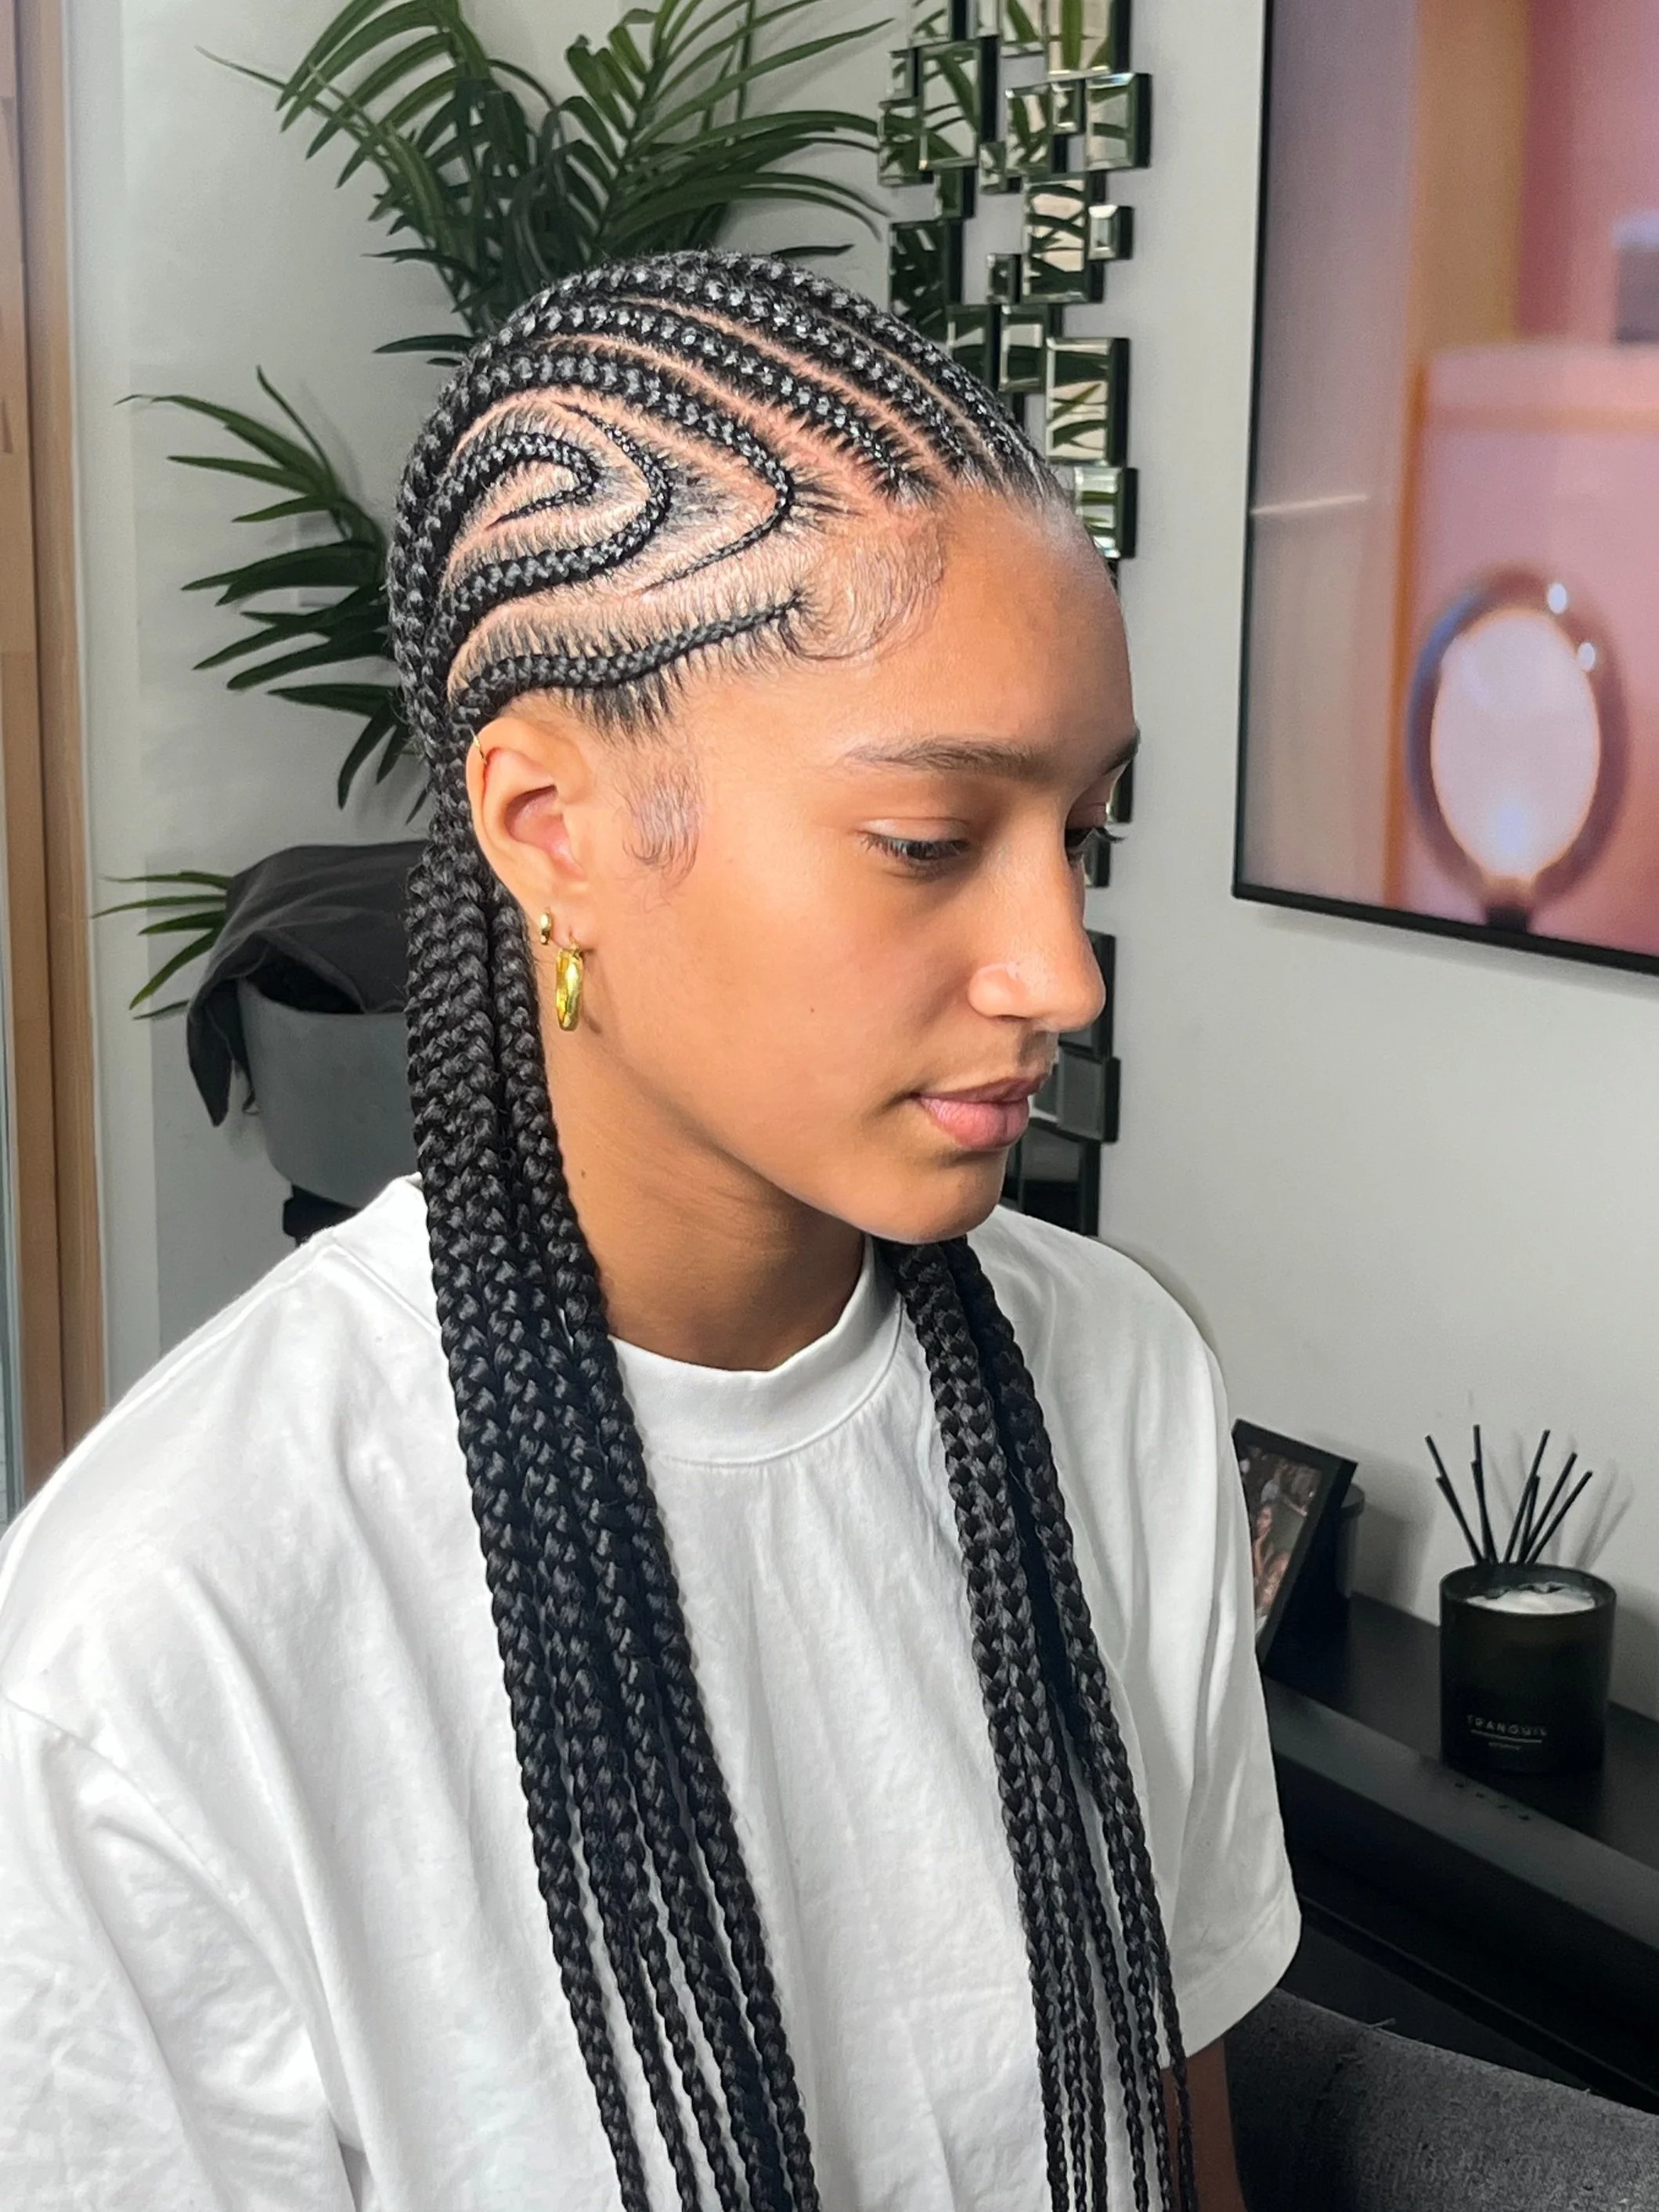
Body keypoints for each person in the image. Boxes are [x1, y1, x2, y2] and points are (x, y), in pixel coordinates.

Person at [0, 252, 1297, 2210]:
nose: (1062, 971)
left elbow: (1172, 2132)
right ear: (550, 826)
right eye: (932, 841)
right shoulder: (167, 1642)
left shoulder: (1116, 1378)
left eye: (1086, 835)